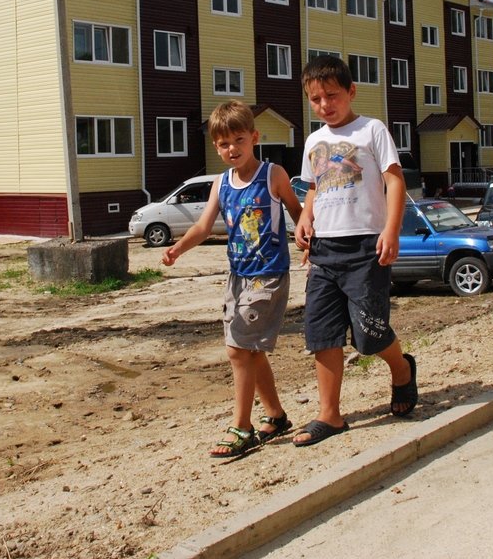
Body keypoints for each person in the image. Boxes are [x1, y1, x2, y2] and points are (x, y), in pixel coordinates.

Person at [162, 100, 304, 458]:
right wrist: (178, 249)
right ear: (215, 146)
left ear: (254, 137)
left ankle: (242, 427)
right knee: (250, 351)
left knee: (238, 349)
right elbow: (202, 226)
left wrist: (309, 238)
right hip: (238, 277)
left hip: (268, 275)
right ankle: (276, 415)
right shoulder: (220, 184)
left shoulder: (273, 175)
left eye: (238, 140)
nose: (232, 149)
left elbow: (297, 211)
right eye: (224, 144)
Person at [291, 55, 418, 447]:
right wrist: (304, 219)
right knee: (322, 334)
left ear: (351, 92)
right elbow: (314, 187)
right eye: (315, 99)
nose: (325, 104)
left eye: (331, 95)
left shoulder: (371, 130)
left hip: (366, 246)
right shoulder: (314, 141)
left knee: (369, 335)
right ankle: (330, 415)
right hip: (325, 251)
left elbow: (394, 182)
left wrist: (392, 230)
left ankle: (402, 371)